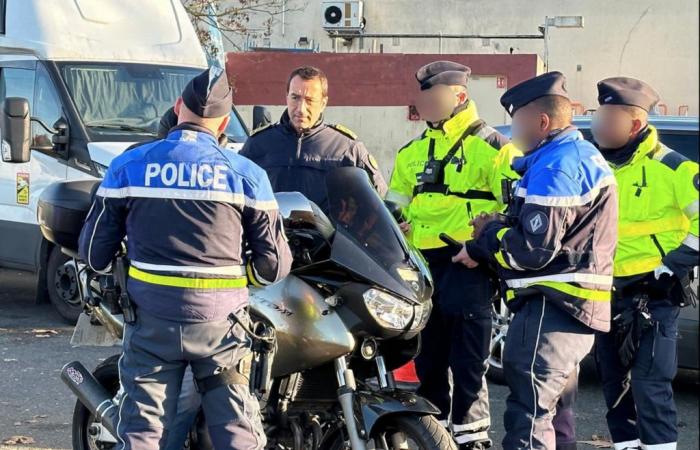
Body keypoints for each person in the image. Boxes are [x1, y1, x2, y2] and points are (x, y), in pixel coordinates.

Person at [78, 67, 292, 449]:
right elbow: (274, 265)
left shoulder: (129, 166)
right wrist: (240, 279)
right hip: (221, 328)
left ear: (178, 108)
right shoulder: (247, 175)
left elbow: (94, 255)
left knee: (144, 433)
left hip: (151, 325)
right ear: (225, 122)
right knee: (237, 432)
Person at [454, 71, 618, 449]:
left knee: (529, 417)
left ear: (541, 121)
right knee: (558, 417)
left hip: (552, 306)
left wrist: (488, 235)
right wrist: (494, 234)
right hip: (570, 306)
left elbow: (532, 251)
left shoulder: (556, 166)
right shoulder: (572, 156)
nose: (512, 134)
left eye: (517, 122)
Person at [387, 60, 520, 449]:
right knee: (427, 362)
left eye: (432, 95)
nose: (423, 102)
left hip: (467, 265)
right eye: (422, 95)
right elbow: (393, 207)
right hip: (422, 270)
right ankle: (434, 438)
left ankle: (472, 441)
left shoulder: (494, 148)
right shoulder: (411, 152)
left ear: (459, 96)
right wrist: (398, 229)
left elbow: (513, 210)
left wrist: (482, 249)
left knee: (467, 365)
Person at [590, 76, 699, 450]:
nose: (597, 127)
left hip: (654, 293)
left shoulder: (674, 168)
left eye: (607, 119)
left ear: (635, 124)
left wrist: (672, 266)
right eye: (597, 117)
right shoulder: (598, 167)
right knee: (614, 388)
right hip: (606, 290)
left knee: (650, 386)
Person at [239, 65, 387, 212]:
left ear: (323, 103)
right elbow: (234, 194)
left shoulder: (346, 147)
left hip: (327, 235)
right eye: (295, 98)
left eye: (310, 100)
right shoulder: (259, 143)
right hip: (271, 233)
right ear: (286, 97)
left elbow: (379, 201)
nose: (301, 108)